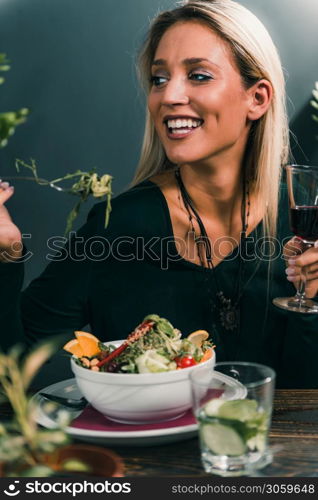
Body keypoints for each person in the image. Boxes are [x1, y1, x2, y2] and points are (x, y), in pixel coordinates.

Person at [1, 0, 318, 388]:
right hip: (142, 451)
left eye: (199, 75)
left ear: (257, 98)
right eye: (159, 79)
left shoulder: (303, 226)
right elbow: (10, 371)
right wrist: (5, 254)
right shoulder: (117, 225)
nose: (169, 96)